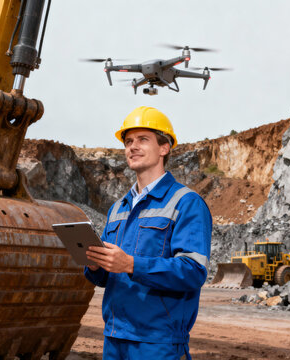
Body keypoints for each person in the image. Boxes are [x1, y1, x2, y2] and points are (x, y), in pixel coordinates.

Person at [84, 106, 212, 360]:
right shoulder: (117, 208)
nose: (133, 147)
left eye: (143, 139)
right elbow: (106, 277)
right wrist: (96, 265)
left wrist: (131, 264)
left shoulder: (186, 203)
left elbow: (193, 271)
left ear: (164, 148)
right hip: (114, 338)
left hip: (157, 343)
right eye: (128, 141)